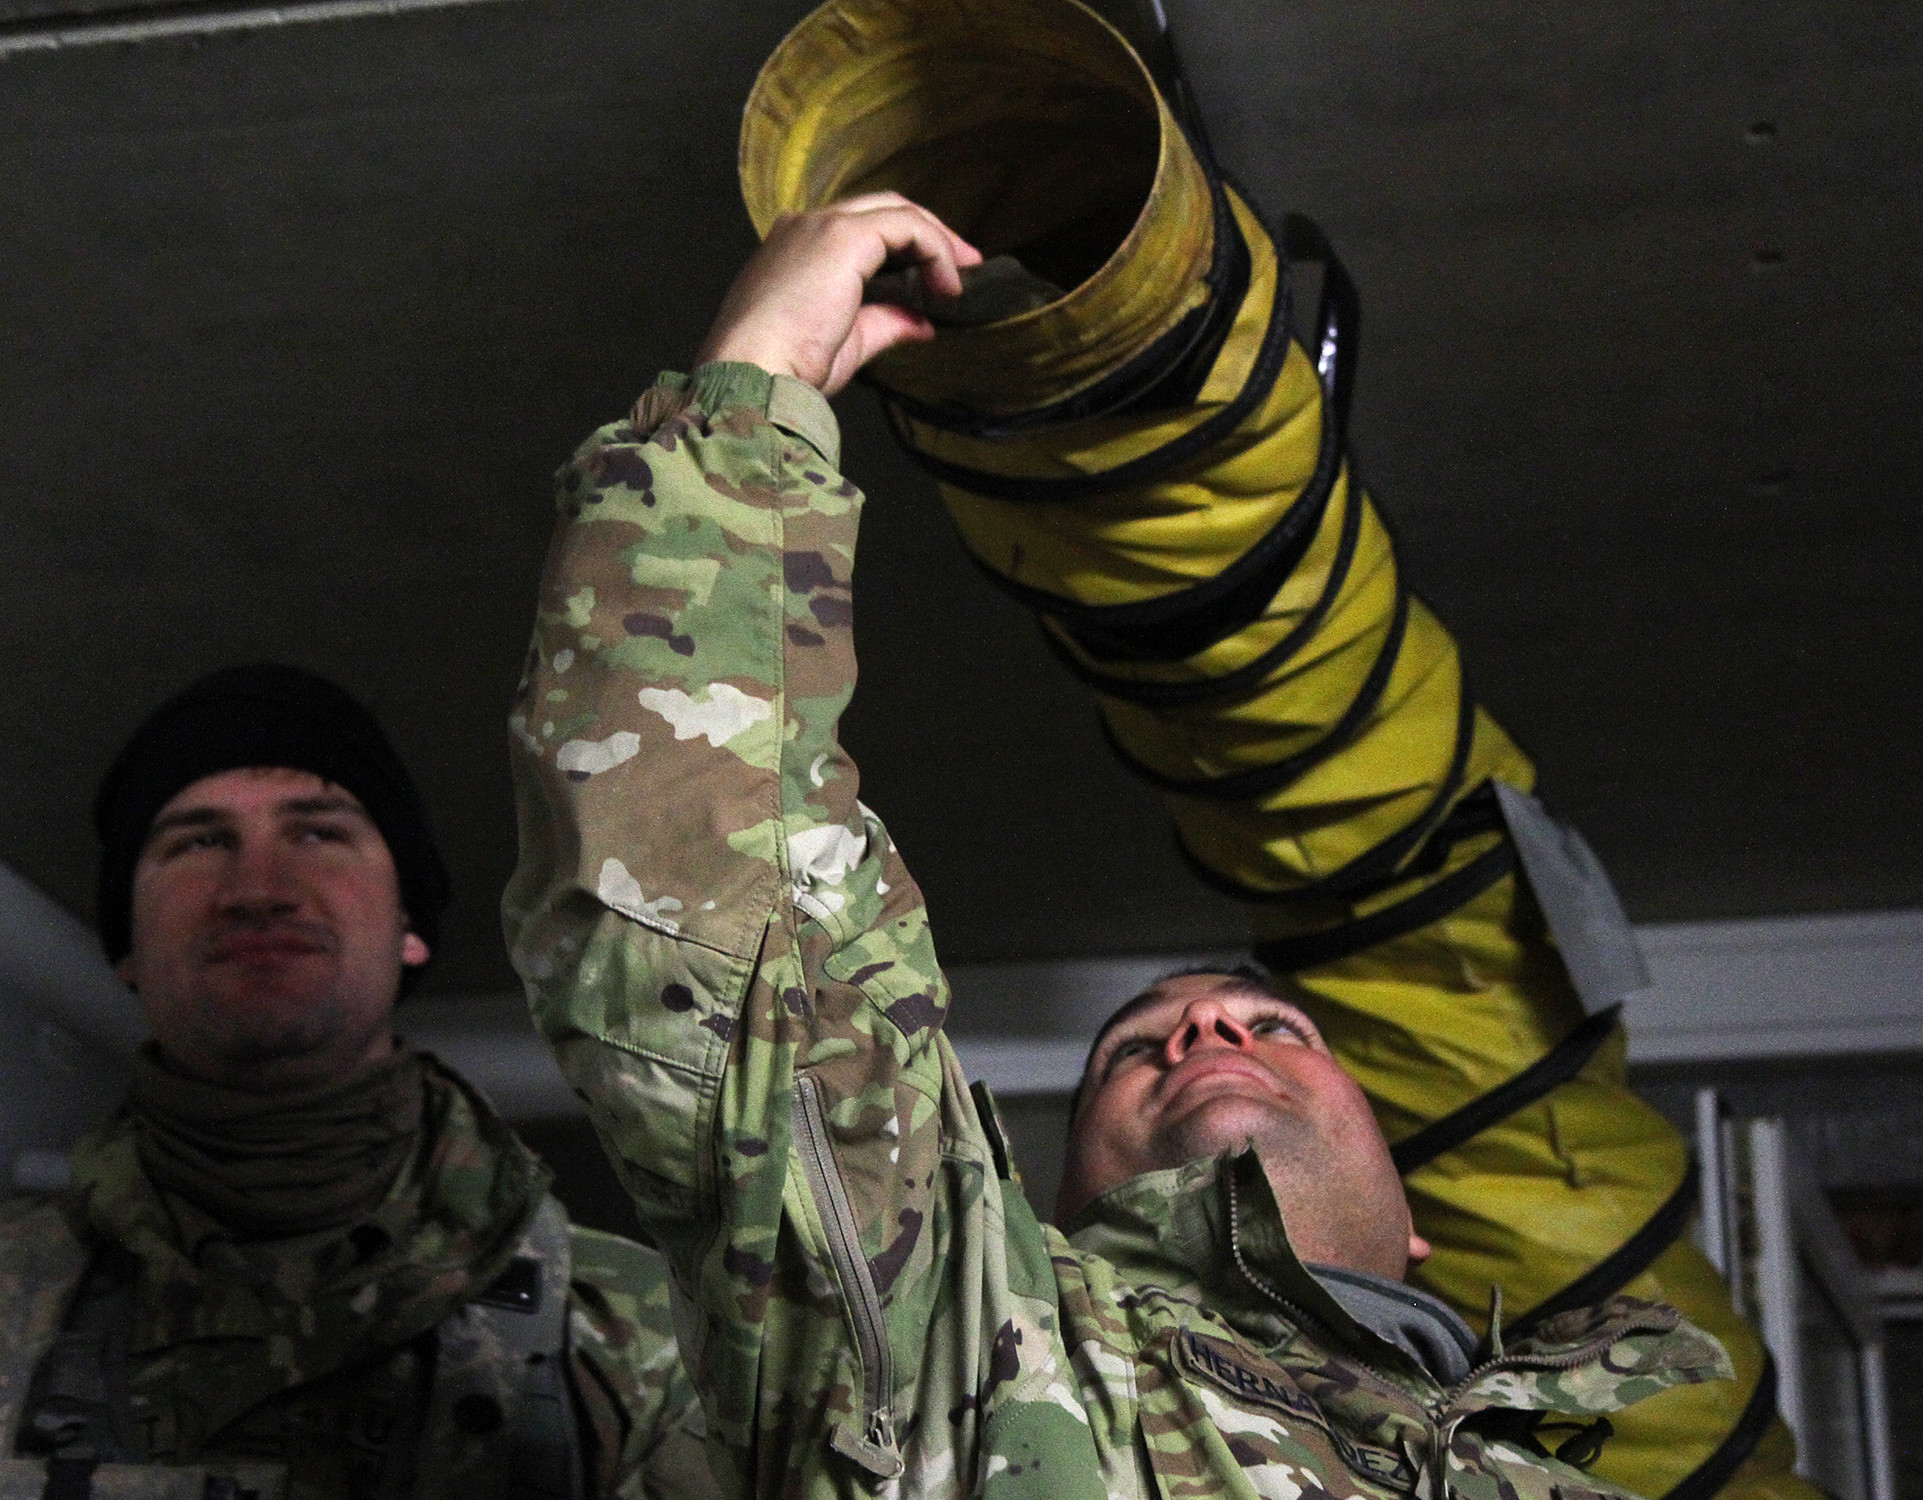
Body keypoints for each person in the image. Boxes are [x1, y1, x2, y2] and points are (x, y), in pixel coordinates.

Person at [502, 195, 1730, 1500]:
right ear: (1051, 1212)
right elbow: (701, 923)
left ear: (1418, 1226)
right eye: (1133, 1052)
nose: (1202, 1037)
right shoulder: (969, 1355)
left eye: (1274, 1029)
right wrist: (757, 385)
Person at [0, 664, 705, 1500]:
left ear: (410, 927)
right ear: (125, 949)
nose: (256, 891)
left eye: (318, 833)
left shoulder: (641, 1332)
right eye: (198, 842)